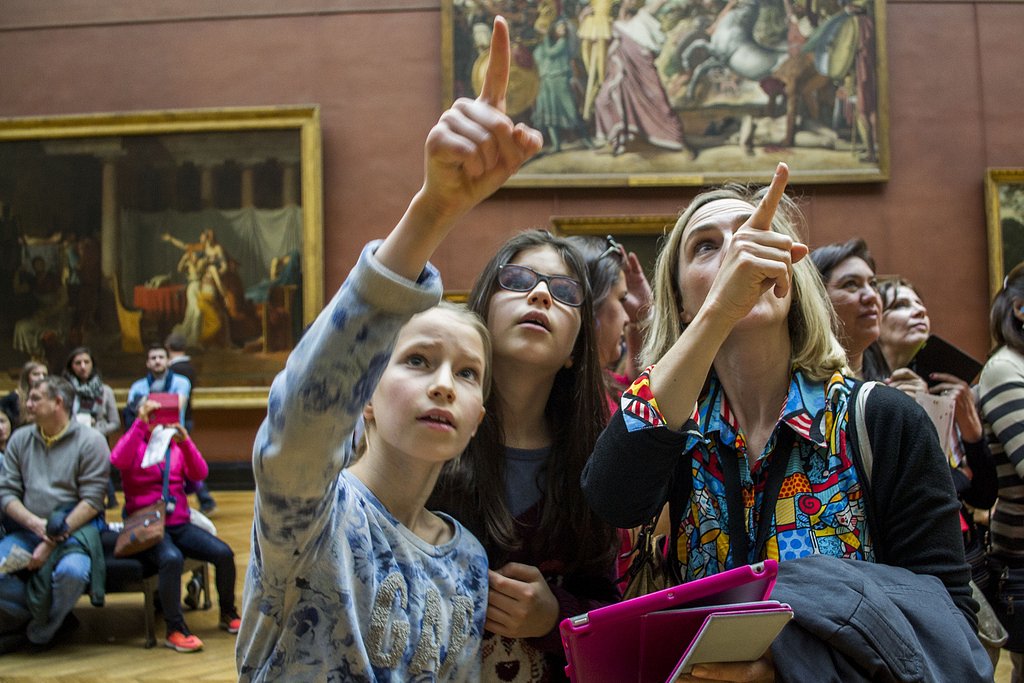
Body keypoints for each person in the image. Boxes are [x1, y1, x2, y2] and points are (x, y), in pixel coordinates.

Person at [582, 165, 984, 680]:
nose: (740, 251)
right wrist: (719, 311)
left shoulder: (881, 420)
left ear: (791, 277)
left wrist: (790, 668)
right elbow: (611, 496)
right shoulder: (676, 433)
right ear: (681, 305)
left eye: (757, 235)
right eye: (706, 246)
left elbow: (946, 627)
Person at [236, 16, 541, 681]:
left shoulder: (464, 558)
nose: (443, 384)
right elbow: (301, 421)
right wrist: (432, 210)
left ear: (477, 419)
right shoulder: (315, 511)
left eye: (467, 375)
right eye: (417, 359)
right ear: (364, 395)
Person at [428, 227, 620, 681]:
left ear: (576, 349)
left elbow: (609, 611)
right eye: (516, 279)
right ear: (482, 313)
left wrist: (555, 616)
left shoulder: (593, 462)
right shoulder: (430, 437)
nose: (538, 294)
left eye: (565, 291)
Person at [110, 398, 240, 653]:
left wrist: (186, 441)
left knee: (224, 554)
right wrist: (140, 423)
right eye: (152, 414)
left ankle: (228, 614)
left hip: (179, 522)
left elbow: (199, 473)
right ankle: (175, 629)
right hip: (147, 525)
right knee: (171, 559)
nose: (158, 419)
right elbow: (117, 460)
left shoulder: (172, 445)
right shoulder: (133, 443)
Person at [0, 376, 109, 652]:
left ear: (57, 402)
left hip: (75, 531)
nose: (28, 404)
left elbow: (93, 501)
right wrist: (36, 524)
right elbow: (7, 493)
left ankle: (42, 632)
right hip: (28, 529)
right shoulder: (20, 439)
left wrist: (50, 540)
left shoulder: (91, 441)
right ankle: (27, 618)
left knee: (73, 573)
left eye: (36, 398)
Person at [809, 238, 885, 378]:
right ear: (817, 300)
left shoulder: (889, 381)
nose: (871, 296)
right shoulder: (795, 390)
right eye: (851, 284)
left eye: (873, 284)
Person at [62, 347, 121, 509]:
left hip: (97, 439)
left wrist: (97, 430)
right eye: (78, 363)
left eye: (86, 362)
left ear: (92, 365)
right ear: (71, 366)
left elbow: (115, 422)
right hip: (71, 438)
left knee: (99, 471)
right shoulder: (64, 391)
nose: (82, 366)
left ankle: (107, 500)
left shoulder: (105, 391)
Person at [124, 344, 191, 428]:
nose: (157, 361)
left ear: (168, 361)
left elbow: (177, 406)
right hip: (146, 434)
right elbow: (132, 410)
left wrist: (144, 401)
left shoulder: (182, 382)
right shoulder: (137, 386)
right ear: (147, 363)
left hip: (174, 434)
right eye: (153, 358)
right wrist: (168, 401)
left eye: (161, 357)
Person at [0, 361, 48, 428]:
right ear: (26, 377)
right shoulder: (12, 398)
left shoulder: (50, 397)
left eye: (44, 375)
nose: (41, 378)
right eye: (36, 374)